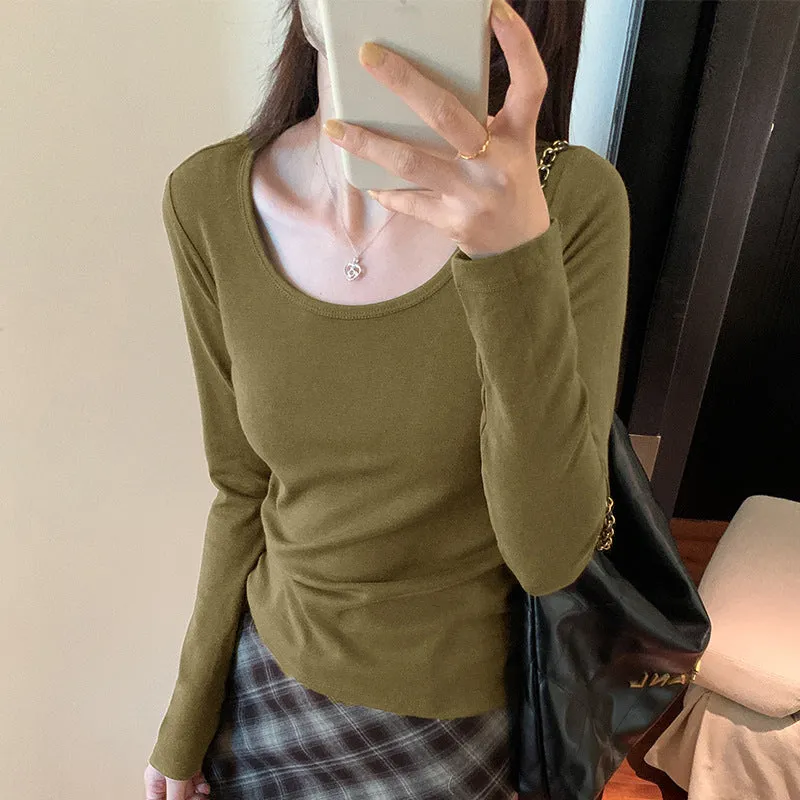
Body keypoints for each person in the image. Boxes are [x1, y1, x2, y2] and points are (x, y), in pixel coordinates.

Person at [143, 0, 629, 798]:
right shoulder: (206, 200)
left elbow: (549, 556)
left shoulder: (570, 201)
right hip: (265, 690)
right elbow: (240, 488)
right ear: (304, 13)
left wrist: (509, 259)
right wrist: (184, 723)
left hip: (450, 727)